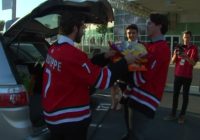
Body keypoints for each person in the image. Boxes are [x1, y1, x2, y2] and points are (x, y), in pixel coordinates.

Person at [41, 12, 138, 140]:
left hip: (53, 116)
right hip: (70, 120)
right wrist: (125, 61)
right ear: (75, 28)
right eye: (83, 28)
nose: (84, 31)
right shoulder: (73, 54)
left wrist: (105, 56)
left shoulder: (53, 48)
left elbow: (80, 68)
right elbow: (103, 80)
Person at [123, 13, 170, 140]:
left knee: (137, 135)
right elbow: (140, 68)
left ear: (159, 26)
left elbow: (144, 76)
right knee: (131, 132)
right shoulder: (150, 46)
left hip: (146, 99)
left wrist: (124, 69)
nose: (146, 25)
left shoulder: (161, 48)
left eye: (149, 23)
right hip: (137, 95)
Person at [164, 31, 199, 124]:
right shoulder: (179, 47)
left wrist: (186, 57)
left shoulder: (194, 48)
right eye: (184, 37)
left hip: (187, 76)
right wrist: (175, 54)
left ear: (190, 38)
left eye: (188, 37)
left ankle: (182, 115)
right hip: (177, 75)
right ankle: (173, 113)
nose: (186, 39)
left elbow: (194, 63)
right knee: (175, 95)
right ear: (182, 38)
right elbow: (173, 61)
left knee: (185, 96)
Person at [119, 24, 140, 140]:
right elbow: (118, 62)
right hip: (123, 81)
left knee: (135, 110)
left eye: (133, 33)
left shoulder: (142, 46)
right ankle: (128, 132)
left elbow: (142, 65)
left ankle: (135, 133)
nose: (131, 35)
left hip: (136, 83)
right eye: (128, 33)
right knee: (126, 110)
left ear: (137, 33)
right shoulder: (122, 46)